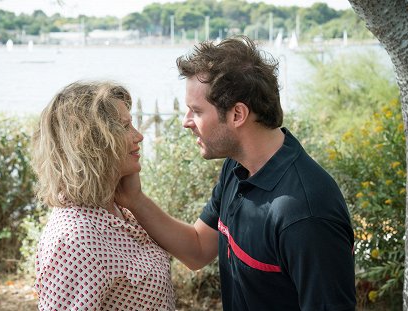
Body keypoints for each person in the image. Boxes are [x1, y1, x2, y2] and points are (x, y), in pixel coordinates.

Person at [116, 36, 356, 310]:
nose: (186, 122)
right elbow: (197, 249)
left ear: (238, 114)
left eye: (196, 111)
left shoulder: (304, 215)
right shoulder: (237, 167)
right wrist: (135, 199)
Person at [31, 81, 175, 310]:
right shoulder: (75, 239)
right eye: (125, 127)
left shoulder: (118, 209)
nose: (139, 136)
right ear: (92, 142)